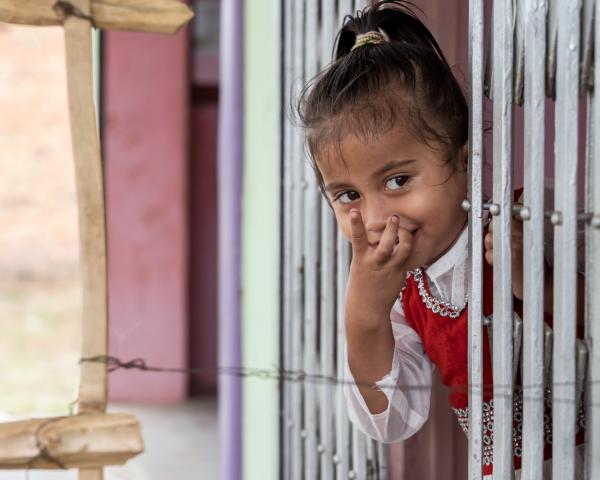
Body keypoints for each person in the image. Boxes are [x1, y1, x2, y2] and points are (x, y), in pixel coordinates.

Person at [296, 1, 585, 477]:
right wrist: (364, 313)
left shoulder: (530, 222)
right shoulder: (407, 297)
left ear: (464, 161)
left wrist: (541, 279)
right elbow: (392, 421)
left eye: (397, 181)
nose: (374, 218)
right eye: (348, 194)